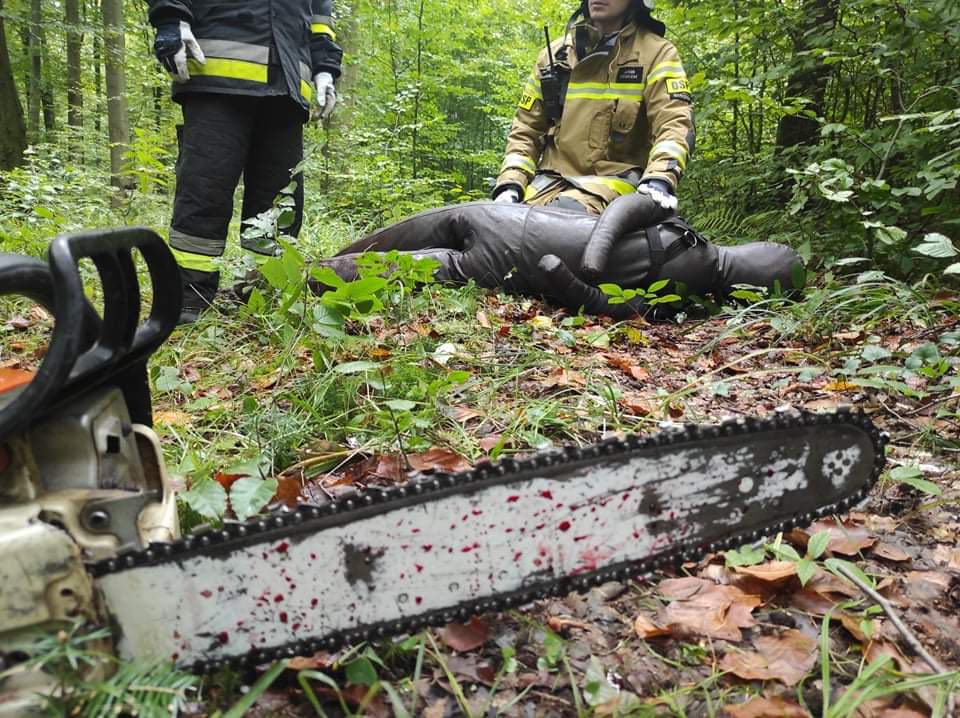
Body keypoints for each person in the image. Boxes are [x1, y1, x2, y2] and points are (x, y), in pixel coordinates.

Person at [146, 0, 343, 324]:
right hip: (217, 75)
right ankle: (187, 302)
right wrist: (171, 18)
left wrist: (325, 68)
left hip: (289, 84)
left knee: (280, 203)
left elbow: (319, 17)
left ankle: (262, 294)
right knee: (204, 191)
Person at [312, 195, 802, 319]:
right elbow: (625, 209)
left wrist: (573, 279)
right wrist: (583, 268)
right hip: (512, 249)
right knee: (392, 256)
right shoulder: (685, 248)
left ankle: (301, 276)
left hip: (509, 236)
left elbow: (607, 303)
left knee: (394, 257)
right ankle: (305, 274)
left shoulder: (681, 290)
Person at [492, 0, 694, 216]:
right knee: (485, 221)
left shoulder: (656, 53)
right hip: (548, 183)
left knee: (562, 215)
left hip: (615, 182)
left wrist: (660, 178)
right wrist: (510, 183)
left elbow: (674, 123)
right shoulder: (554, 55)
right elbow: (526, 129)